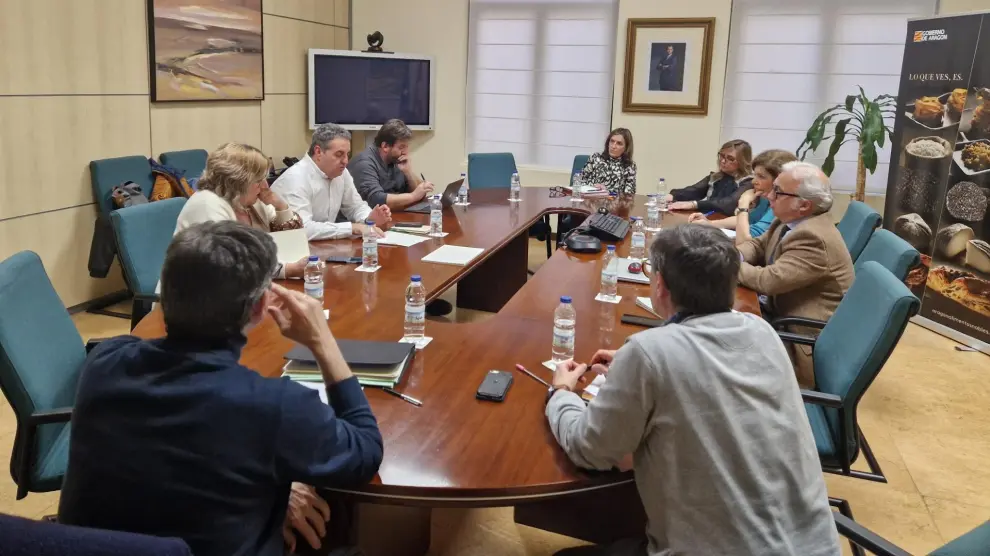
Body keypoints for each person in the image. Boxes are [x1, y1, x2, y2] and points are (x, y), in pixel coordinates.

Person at [59, 221, 384, 556]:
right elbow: (366, 452)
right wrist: (322, 341)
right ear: (259, 309)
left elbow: (172, 459)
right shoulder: (274, 406)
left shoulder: (103, 363)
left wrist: (274, 487)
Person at [546, 224, 841, 556]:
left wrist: (561, 394)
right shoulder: (762, 332)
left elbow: (590, 449)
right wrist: (637, 362)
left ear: (659, 286)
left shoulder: (649, 354)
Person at [737, 161, 854, 388]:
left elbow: (767, 281)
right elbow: (757, 246)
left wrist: (721, 263)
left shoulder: (813, 238)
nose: (769, 195)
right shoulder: (788, 220)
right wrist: (735, 256)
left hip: (797, 343)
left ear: (804, 205)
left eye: (778, 192)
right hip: (777, 316)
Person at [173, 142, 307, 279]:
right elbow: (233, 261)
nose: (265, 186)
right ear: (238, 181)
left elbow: (292, 242)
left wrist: (280, 206)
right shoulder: (207, 204)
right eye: (259, 180)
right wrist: (289, 269)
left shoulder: (249, 201)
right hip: (197, 294)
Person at [272, 123, 391, 240]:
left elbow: (355, 206)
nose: (345, 161)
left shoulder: (341, 173)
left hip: (325, 248)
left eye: (347, 155)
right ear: (318, 152)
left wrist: (369, 218)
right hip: (289, 251)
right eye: (339, 154)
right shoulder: (295, 179)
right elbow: (303, 229)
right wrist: (352, 228)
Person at [688, 149, 797, 243]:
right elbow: (748, 220)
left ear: (779, 180)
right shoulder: (765, 198)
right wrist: (709, 223)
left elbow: (746, 241)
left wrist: (743, 204)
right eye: (755, 175)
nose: (754, 181)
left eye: (761, 177)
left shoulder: (783, 204)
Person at [349, 118, 435, 210]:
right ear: (385, 146)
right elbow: (376, 200)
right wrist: (413, 196)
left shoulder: (395, 160)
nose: (405, 152)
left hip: (393, 214)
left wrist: (408, 173)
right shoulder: (364, 163)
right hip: (365, 219)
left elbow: (417, 192)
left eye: (406, 147)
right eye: (401, 147)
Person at [666, 139, 753, 215]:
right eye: (722, 155)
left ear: (743, 161)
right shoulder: (716, 176)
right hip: (708, 218)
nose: (722, 161)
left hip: (728, 224)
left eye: (730, 159)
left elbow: (728, 203)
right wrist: (672, 196)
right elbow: (694, 191)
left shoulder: (747, 182)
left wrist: (694, 204)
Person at [579, 128, 637, 196]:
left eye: (619, 143)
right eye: (612, 141)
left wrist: (607, 192)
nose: (613, 146)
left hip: (614, 204)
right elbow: (579, 181)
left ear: (626, 148)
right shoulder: (596, 158)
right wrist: (593, 187)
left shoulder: (630, 166)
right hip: (591, 201)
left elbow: (629, 196)